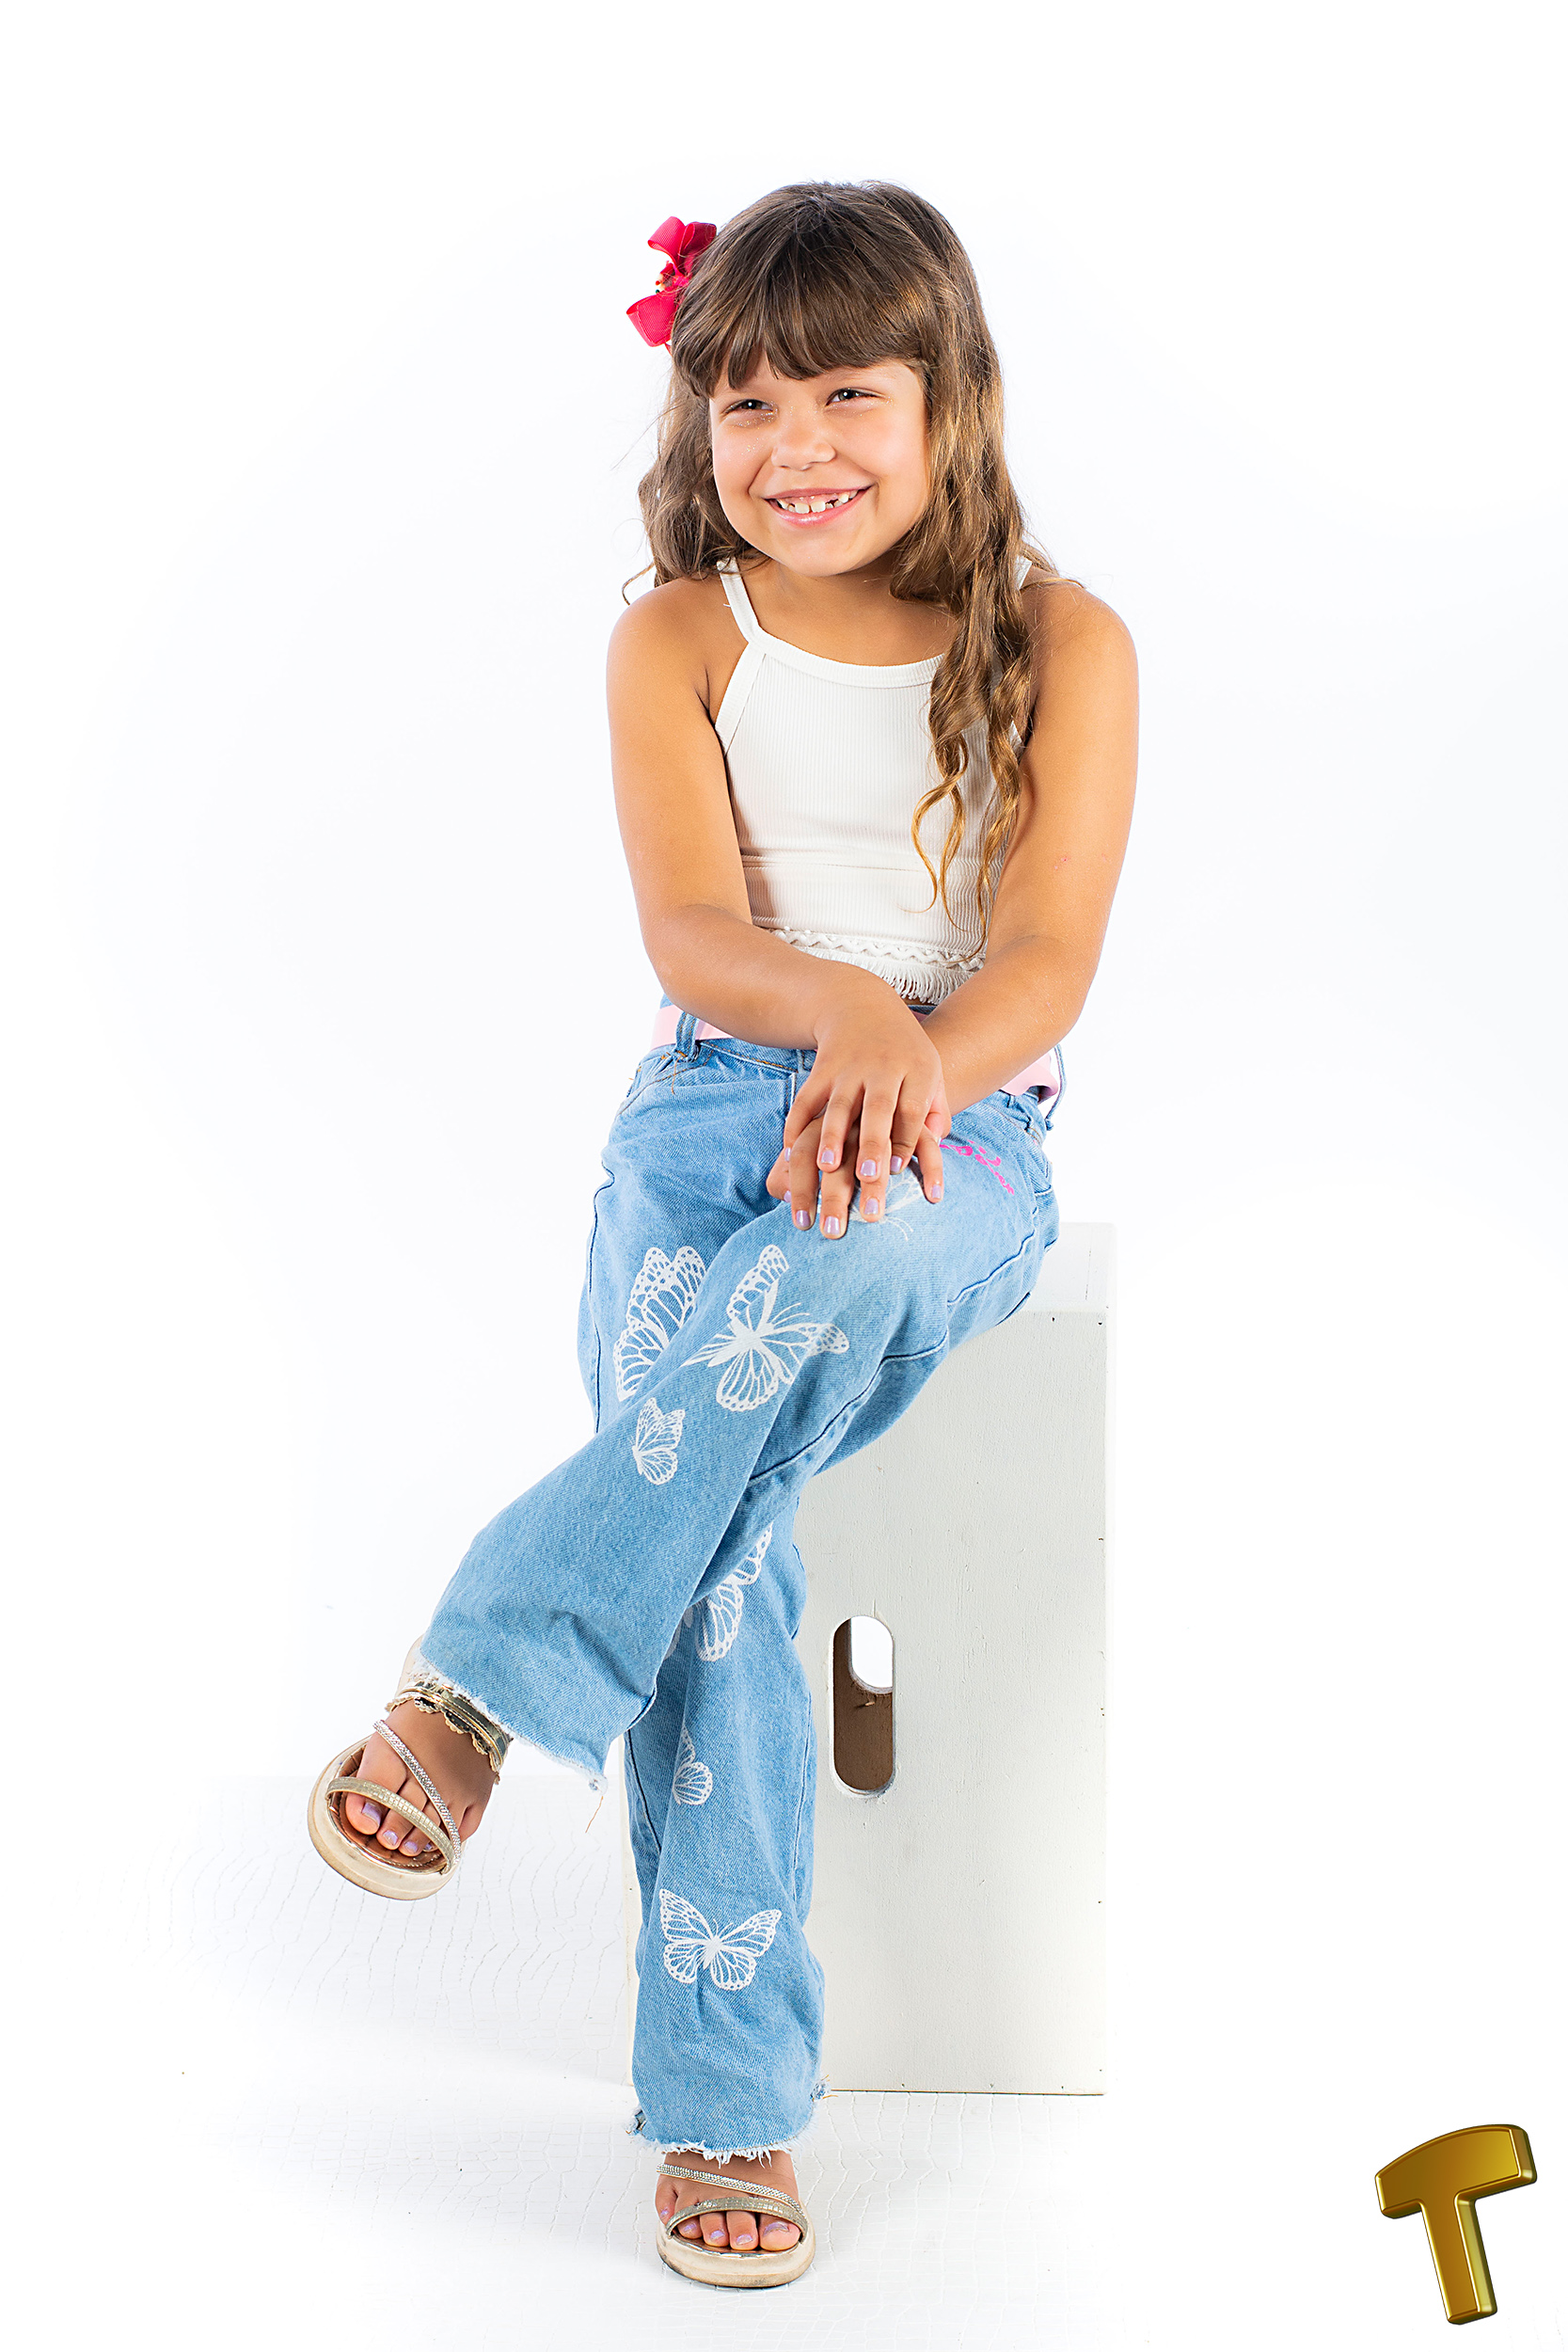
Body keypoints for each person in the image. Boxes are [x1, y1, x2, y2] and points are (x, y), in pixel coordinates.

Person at [307, 180, 1138, 2289]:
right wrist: (834, 1007)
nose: (795, 446)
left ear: (949, 398)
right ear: (700, 422)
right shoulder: (679, 636)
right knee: (726, 1568)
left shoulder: (1067, 643)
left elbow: (1046, 960)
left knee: (839, 1266)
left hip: (963, 1125)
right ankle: (729, 2102)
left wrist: (905, 1059)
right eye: (747, 403)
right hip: (707, 1115)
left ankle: (482, 1680)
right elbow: (689, 925)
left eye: (847, 394)